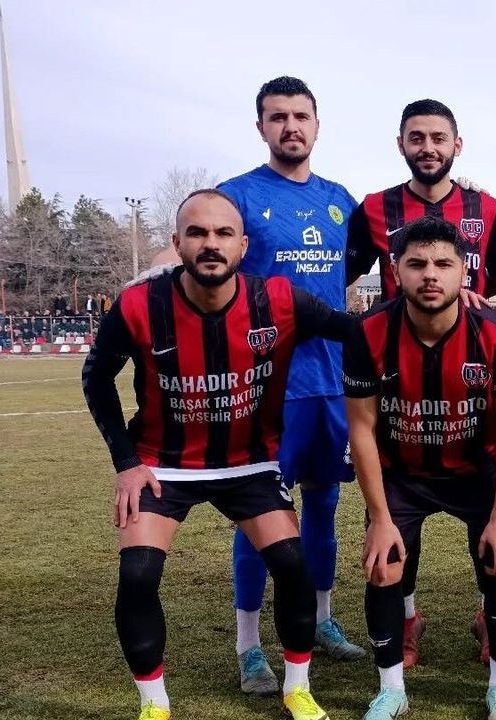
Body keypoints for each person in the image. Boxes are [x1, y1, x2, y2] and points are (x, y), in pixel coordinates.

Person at [82, 189, 355, 720]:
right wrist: (126, 463)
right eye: (198, 233)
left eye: (223, 233)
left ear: (242, 245)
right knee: (138, 574)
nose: (211, 243)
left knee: (293, 565)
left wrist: (434, 304)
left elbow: (355, 329)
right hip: (162, 464)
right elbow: (96, 378)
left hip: (248, 463)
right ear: (177, 242)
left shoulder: (278, 300)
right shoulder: (139, 305)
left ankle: (297, 689)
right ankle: (154, 706)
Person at [346, 98, 496, 666]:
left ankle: (488, 615)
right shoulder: (373, 208)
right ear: (401, 144)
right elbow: (336, 272)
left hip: (465, 377)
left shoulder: (486, 206)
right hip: (397, 380)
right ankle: (406, 619)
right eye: (417, 137)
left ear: (457, 145)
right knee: (396, 538)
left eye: (438, 137)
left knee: (494, 536)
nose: (428, 147)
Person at [217, 76, 366, 696]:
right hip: (266, 388)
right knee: (257, 518)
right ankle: (249, 646)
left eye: (300, 116)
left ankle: (324, 619)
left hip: (332, 384)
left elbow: (364, 266)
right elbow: (208, 264)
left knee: (324, 510)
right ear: (261, 127)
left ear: (317, 125)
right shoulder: (238, 197)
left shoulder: (341, 201)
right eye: (277, 117)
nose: (290, 127)